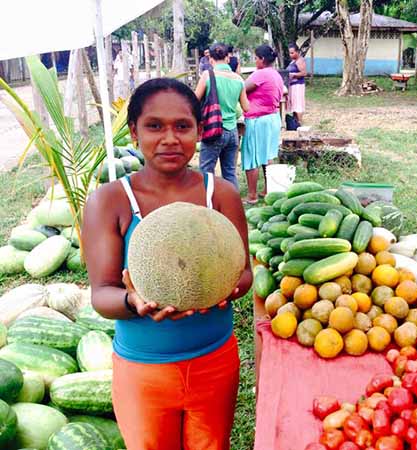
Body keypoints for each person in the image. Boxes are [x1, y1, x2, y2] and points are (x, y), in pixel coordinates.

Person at [82, 78, 252, 450]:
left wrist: (227, 289)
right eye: (154, 126)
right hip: (144, 371)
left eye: (182, 126)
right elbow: (102, 294)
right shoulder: (109, 201)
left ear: (199, 130)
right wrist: (134, 303)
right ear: (134, 132)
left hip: (215, 362)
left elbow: (244, 274)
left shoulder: (221, 194)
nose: (170, 138)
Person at [195, 43, 249, 189]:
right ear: (227, 58)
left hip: (213, 130)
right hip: (232, 132)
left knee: (206, 172)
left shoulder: (207, 75)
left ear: (210, 59)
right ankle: (234, 206)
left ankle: (209, 206)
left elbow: (194, 101)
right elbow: (246, 107)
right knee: (230, 173)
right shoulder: (238, 79)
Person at [241, 45, 284, 204]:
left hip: (257, 119)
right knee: (267, 156)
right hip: (272, 118)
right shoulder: (276, 75)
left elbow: (241, 89)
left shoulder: (260, 74)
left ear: (263, 59)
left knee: (252, 157)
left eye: (256, 58)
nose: (255, 61)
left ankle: (251, 196)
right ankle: (267, 190)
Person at [286, 43, 307, 125]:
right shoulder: (293, 61)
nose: (291, 55)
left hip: (298, 86)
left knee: (298, 104)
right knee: (294, 104)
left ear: (297, 52)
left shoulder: (300, 61)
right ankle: (295, 123)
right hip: (292, 86)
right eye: (290, 53)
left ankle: (299, 122)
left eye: (292, 53)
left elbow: (304, 73)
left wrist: (293, 75)